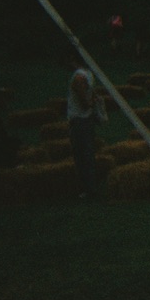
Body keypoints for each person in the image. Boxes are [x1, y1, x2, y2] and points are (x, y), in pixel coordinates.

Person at [64, 50, 99, 198]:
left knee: (82, 154)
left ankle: (88, 189)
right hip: (86, 119)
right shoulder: (88, 74)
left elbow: (85, 101)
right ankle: (89, 186)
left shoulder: (79, 77)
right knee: (87, 153)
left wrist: (90, 104)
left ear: (73, 59)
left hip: (80, 120)